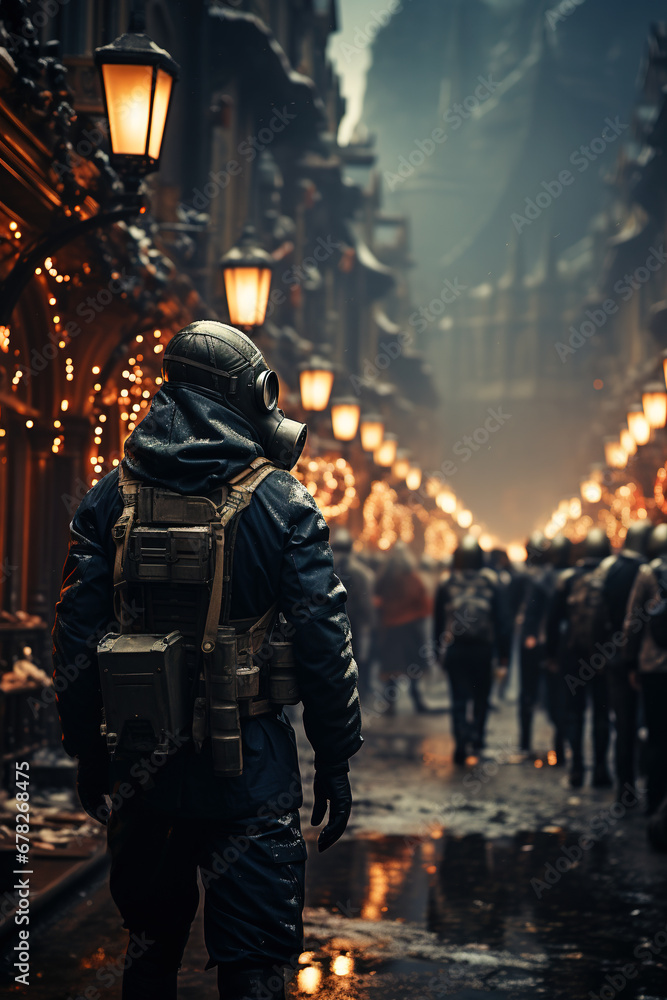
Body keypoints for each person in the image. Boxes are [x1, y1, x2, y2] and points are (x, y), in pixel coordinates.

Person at [52, 321, 363, 1000]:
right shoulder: (284, 503)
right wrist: (335, 757)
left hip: (142, 762)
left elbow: (76, 636)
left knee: (150, 942)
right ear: (243, 395)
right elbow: (323, 639)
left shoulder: (110, 498)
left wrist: (87, 752)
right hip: (250, 768)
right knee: (255, 960)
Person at [434, 535, 511, 764]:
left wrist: (438, 650)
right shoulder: (491, 581)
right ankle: (477, 737)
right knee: (481, 696)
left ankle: (460, 741)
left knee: (458, 698)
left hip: (456, 649)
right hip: (482, 650)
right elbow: (502, 622)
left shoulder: (447, 582)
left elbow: (438, 621)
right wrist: (503, 655)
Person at [546, 527, 611, 788]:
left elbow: (553, 622)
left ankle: (576, 769)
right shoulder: (611, 577)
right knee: (602, 714)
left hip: (573, 655)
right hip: (603, 657)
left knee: (574, 713)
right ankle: (600, 770)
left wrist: (551, 655)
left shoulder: (568, 579)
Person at [599, 521, 651, 800]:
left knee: (624, 725)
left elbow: (601, 613)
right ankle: (652, 786)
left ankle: (625, 789)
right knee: (653, 725)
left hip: (619, 658)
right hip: (652, 660)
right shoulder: (653, 572)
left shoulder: (612, 570)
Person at [623, 523, 667, 819]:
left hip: (654, 669)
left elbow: (632, 622)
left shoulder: (647, 573)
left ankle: (655, 803)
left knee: (656, 737)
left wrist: (630, 663)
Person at [374, 542, 432, 713]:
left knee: (392, 668)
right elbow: (422, 602)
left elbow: (377, 601)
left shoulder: (384, 579)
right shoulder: (412, 578)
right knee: (413, 667)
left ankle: (391, 705)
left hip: (391, 628)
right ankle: (417, 701)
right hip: (410, 629)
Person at [514, 532, 556, 758]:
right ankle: (559, 744)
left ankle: (525, 743)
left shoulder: (525, 578)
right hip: (551, 641)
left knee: (528, 693)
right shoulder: (555, 577)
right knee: (555, 692)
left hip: (531, 641)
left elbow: (522, 611)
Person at [330, 529, 375, 704]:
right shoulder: (361, 572)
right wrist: (370, 624)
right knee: (358, 662)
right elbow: (367, 604)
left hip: (333, 625)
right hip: (354, 624)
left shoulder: (327, 570)